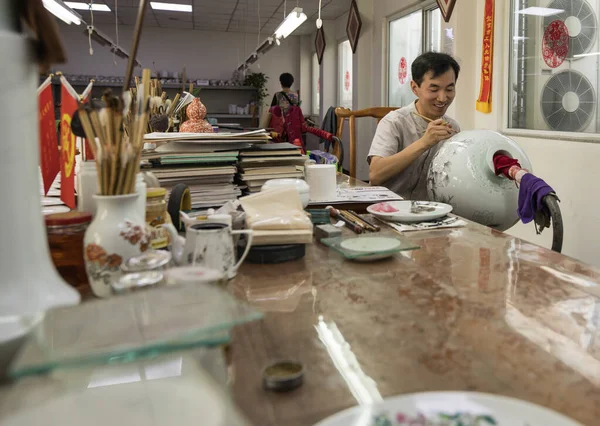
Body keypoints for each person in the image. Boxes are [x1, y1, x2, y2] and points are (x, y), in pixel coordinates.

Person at [368, 52, 460, 200]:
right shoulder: (394, 122)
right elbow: (375, 175)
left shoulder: (452, 127)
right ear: (414, 88)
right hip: (390, 209)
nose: (443, 98)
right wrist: (425, 142)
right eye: (434, 89)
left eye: (449, 89)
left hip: (433, 212)